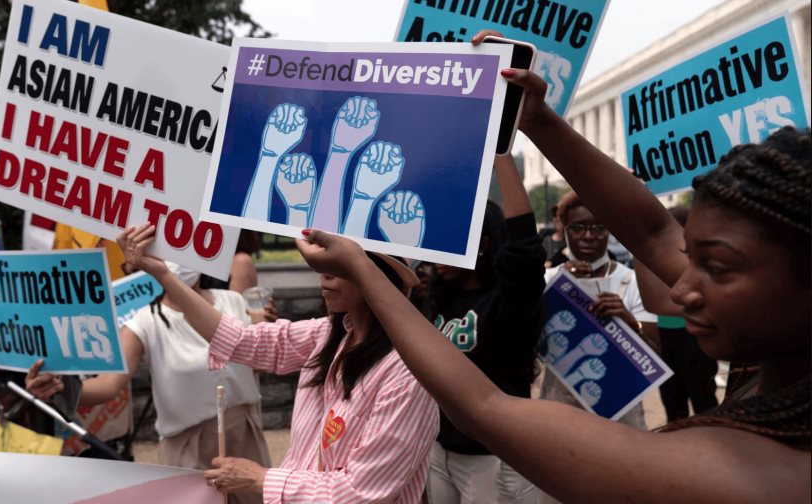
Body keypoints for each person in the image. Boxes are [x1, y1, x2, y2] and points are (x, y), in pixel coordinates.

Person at [292, 29, 811, 502]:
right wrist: (538, 120)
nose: (679, 290)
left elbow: (486, 409)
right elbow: (653, 231)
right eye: (690, 258)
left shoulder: (753, 473)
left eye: (716, 267)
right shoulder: (776, 363)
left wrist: (362, 270)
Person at [119, 222, 439, 503]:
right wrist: (163, 275)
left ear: (378, 276)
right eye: (324, 261)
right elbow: (243, 341)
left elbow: (361, 492)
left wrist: (261, 477)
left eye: (340, 264)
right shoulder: (329, 333)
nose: (324, 274)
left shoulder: (409, 372)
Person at [26, 262, 272, 504]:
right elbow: (109, 384)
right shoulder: (145, 322)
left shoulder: (234, 301)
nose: (177, 262)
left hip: (243, 435)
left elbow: (259, 364)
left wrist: (268, 332)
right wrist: (59, 387)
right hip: (188, 447)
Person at [422, 155, 544, 503]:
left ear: (484, 244)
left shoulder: (508, 301)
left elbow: (523, 248)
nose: (437, 254)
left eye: (450, 241)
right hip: (441, 450)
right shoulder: (438, 297)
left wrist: (502, 159)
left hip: (495, 457)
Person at [540, 190, 658, 431]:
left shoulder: (632, 281)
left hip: (621, 413)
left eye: (598, 227)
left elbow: (656, 355)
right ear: (564, 229)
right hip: (560, 412)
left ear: (609, 230)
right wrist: (556, 293)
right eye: (578, 227)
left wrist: (627, 320)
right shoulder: (548, 280)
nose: (588, 236)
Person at [637, 206, 719, 422]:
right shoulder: (657, 257)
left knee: (702, 402)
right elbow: (655, 302)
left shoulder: (699, 262)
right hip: (668, 336)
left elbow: (660, 301)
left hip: (693, 337)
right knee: (675, 403)